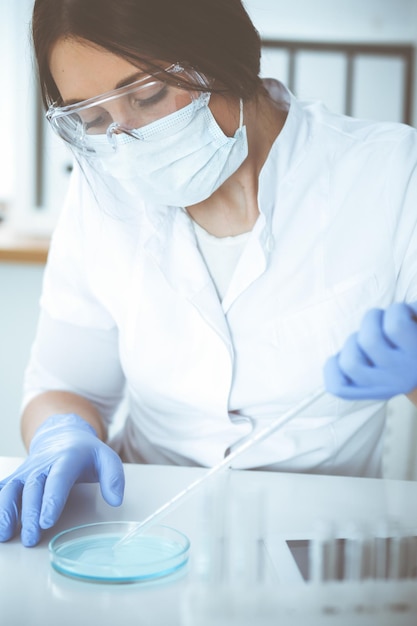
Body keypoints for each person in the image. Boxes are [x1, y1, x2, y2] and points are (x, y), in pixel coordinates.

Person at [1, 0, 417, 548]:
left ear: (225, 57)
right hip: (138, 526)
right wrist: (61, 431)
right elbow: (66, 386)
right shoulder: (103, 194)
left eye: (148, 96)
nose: (126, 141)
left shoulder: (391, 173)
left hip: (317, 540)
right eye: (95, 118)